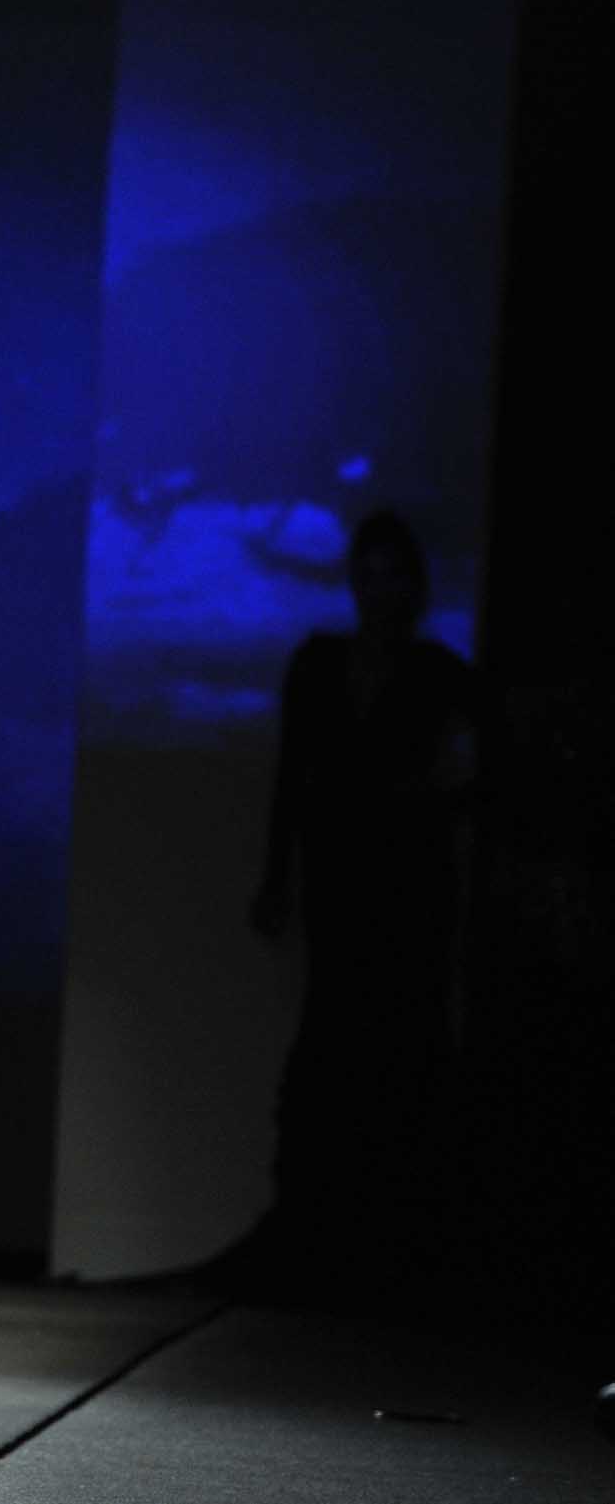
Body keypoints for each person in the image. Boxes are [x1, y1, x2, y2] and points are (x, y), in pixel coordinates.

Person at [246, 509, 473, 1287]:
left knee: (403, 1048)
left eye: (392, 575)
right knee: (327, 1045)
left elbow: (465, 780)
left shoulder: (440, 673)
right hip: (337, 883)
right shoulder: (317, 664)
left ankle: (396, 1244)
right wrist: (277, 875)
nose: (378, 590)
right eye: (366, 574)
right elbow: (291, 777)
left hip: (408, 887)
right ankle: (312, 1229)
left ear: (413, 585)